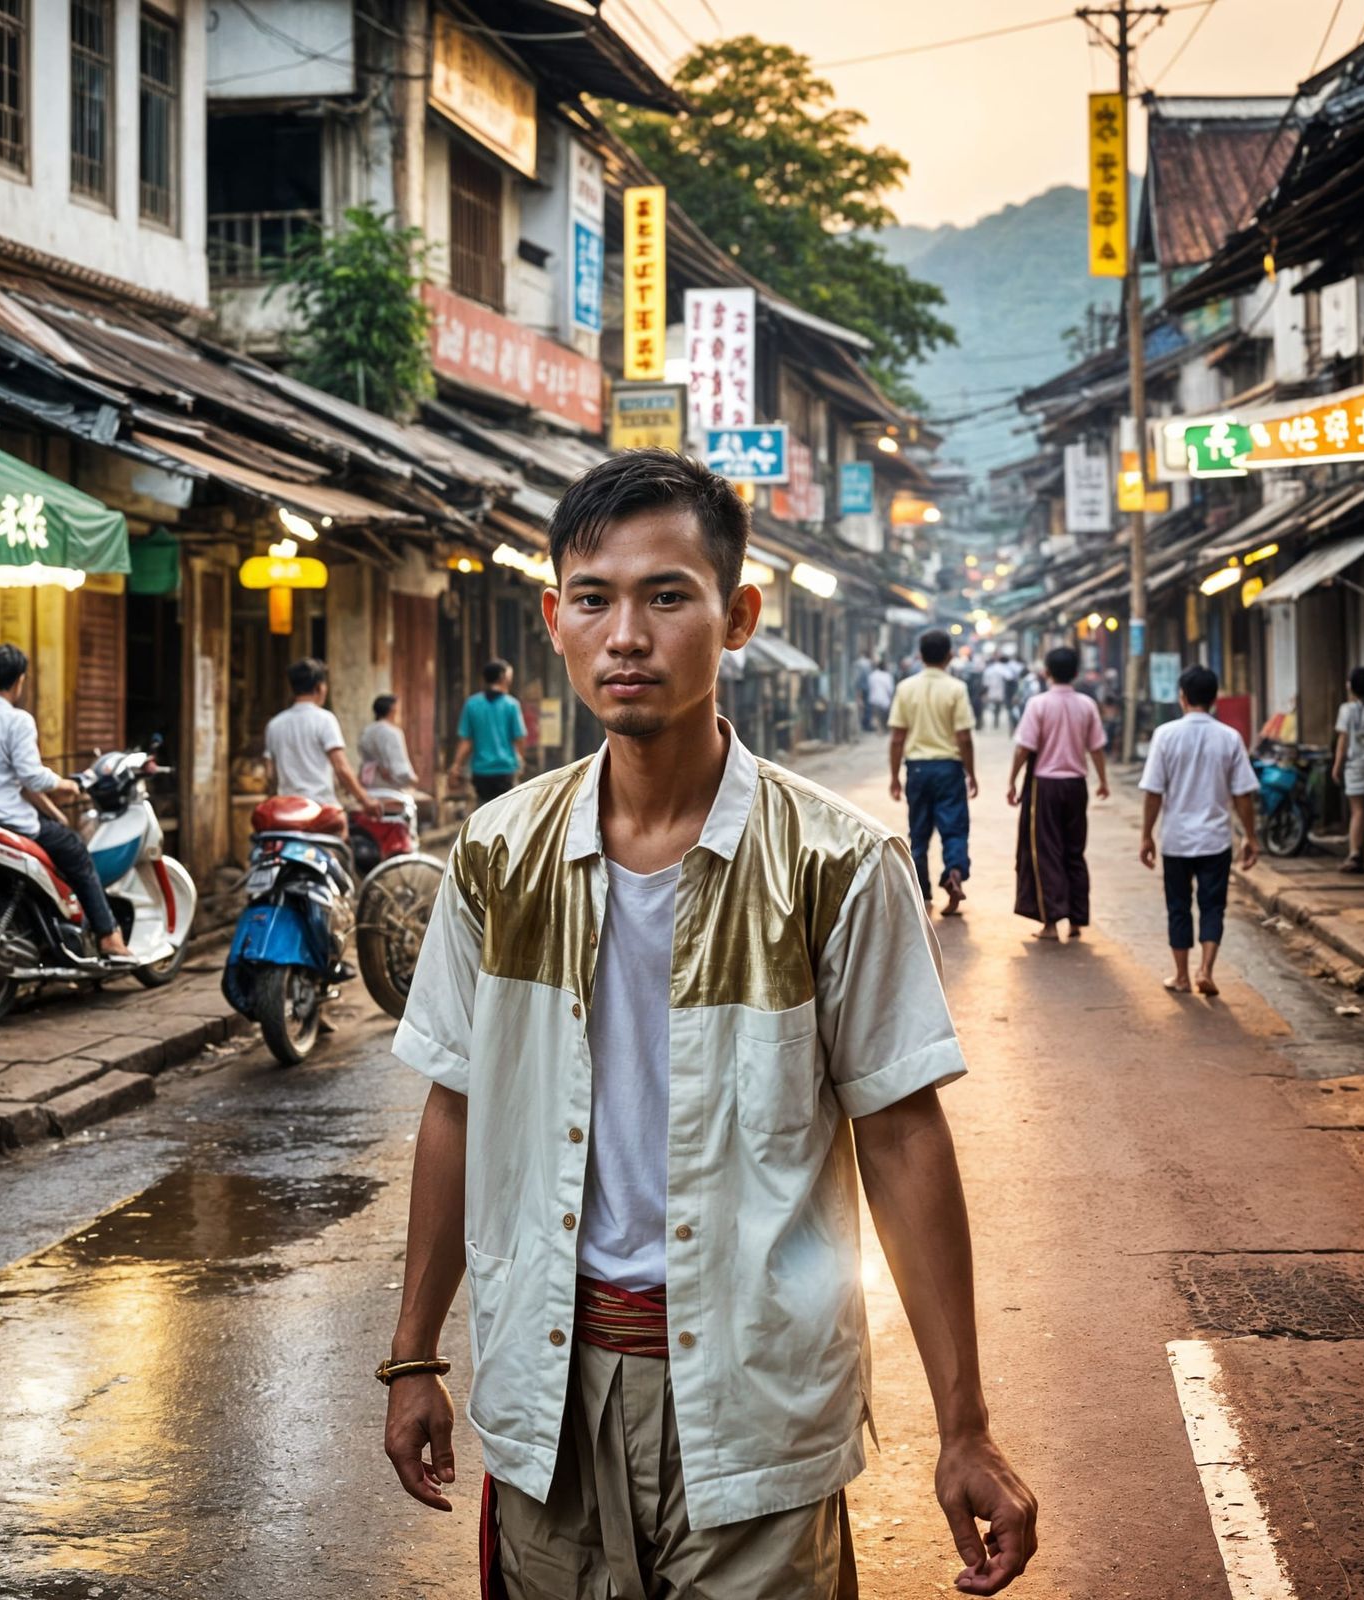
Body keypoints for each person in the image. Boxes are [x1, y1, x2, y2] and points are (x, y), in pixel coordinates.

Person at [383, 448, 1037, 1600]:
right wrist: (412, 1355)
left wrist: (964, 1424)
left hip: (757, 1403)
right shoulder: (497, 855)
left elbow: (901, 1137)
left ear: (735, 615)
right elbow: (455, 1107)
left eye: (665, 596)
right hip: (551, 1395)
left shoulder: (836, 862)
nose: (625, 634)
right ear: (554, 618)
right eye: (593, 598)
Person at [0, 644, 131, 959]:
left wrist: (55, 813)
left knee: (61, 832)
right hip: (11, 825)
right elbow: (33, 778)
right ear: (18, 682)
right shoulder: (17, 721)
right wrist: (67, 785)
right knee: (76, 853)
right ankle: (109, 936)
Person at [1139, 665, 1260, 997]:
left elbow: (1153, 792)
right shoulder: (1229, 737)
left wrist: (1147, 835)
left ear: (1182, 697)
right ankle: (1205, 969)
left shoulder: (1165, 735)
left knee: (1178, 906)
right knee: (1213, 906)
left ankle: (1181, 976)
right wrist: (1250, 836)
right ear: (1214, 698)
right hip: (1215, 840)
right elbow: (1243, 794)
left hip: (1177, 839)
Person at [1006, 647, 1109, 941]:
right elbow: (1097, 747)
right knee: (1074, 851)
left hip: (1045, 785)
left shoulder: (1038, 704)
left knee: (1046, 850)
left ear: (1046, 673)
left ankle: (1051, 921)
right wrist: (1102, 780)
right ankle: (1076, 919)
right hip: (1076, 784)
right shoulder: (1087, 704)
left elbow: (1024, 747)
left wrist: (1012, 780)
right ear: (1076, 673)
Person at [888, 627, 979, 917]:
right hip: (949, 768)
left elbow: (897, 738)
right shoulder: (956, 688)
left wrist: (893, 776)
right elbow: (964, 737)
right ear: (950, 656)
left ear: (920, 655)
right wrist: (971, 772)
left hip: (916, 769)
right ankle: (953, 871)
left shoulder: (905, 688)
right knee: (954, 828)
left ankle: (922, 892)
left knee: (919, 832)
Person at [264, 657, 380, 816]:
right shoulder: (325, 719)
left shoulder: (275, 724)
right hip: (319, 808)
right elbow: (341, 767)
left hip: (286, 810)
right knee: (343, 832)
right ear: (320, 688)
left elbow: (271, 775)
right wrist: (365, 800)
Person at [448, 659, 526, 804]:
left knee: (484, 811)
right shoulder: (511, 705)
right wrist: (520, 761)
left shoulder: (472, 704)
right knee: (505, 812)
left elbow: (466, 741)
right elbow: (519, 738)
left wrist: (456, 765)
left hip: (480, 771)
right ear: (503, 677)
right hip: (505, 769)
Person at [1332, 666, 1364, 874]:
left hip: (1356, 766)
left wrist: (1336, 766)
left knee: (1358, 810)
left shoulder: (1347, 710)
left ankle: (1355, 854)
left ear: (1351, 686)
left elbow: (1343, 742)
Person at [358, 693, 420, 794]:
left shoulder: (366, 732)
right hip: (390, 791)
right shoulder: (393, 733)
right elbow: (400, 770)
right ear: (393, 710)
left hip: (369, 790)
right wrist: (412, 779)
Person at [865, 657, 895, 731]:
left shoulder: (872, 675)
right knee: (884, 715)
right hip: (884, 699)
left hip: (874, 698)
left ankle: (879, 728)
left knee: (876, 715)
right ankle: (883, 728)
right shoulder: (887, 676)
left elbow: (869, 686)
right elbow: (890, 689)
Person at [852, 646, 875, 733]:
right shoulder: (868, 663)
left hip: (860, 687)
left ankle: (862, 724)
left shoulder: (857, 663)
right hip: (867, 687)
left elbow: (856, 677)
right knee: (867, 707)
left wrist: (857, 688)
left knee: (861, 707)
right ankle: (866, 724)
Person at [982, 655, 1009, 730]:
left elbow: (985, 683)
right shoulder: (1003, 669)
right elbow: (1009, 678)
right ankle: (996, 719)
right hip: (999, 691)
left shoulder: (989, 670)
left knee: (993, 707)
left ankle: (995, 720)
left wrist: (985, 692)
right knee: (997, 707)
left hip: (992, 691)